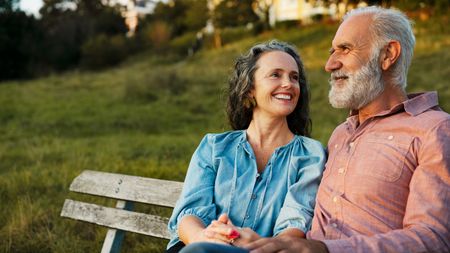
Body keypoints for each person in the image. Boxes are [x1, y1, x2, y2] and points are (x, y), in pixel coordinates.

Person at [179, 6, 450, 253]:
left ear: (388, 54)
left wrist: (321, 249)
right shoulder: (342, 134)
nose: (329, 64)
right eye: (332, 51)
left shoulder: (433, 130)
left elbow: (433, 238)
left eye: (344, 49)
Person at [165, 40, 326, 252]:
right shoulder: (214, 147)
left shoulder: (311, 155)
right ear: (250, 88)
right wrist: (204, 237)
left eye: (294, 77)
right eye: (276, 74)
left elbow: (294, 226)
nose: (288, 83)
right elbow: (189, 213)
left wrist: (251, 244)